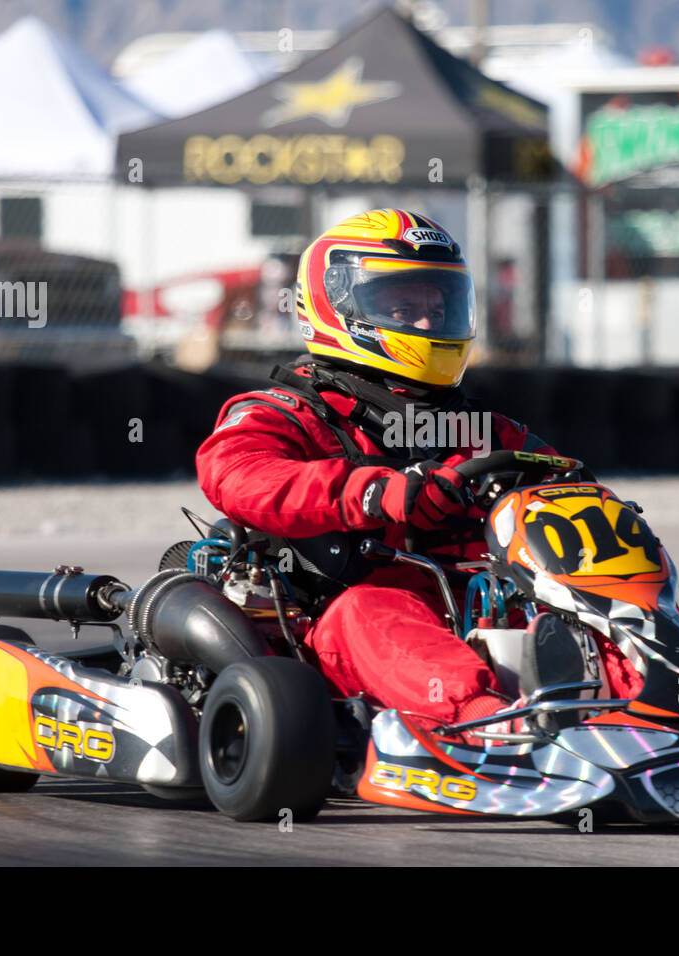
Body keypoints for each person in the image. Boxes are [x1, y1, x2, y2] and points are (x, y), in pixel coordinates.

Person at [197, 209, 644, 729]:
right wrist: (377, 492)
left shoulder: (483, 429)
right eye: (406, 306)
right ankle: (488, 723)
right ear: (338, 307)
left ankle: (670, 696)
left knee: (584, 602)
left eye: (441, 305)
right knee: (371, 611)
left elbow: (567, 486)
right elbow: (238, 476)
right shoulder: (283, 413)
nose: (431, 323)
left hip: (479, 607)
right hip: (343, 621)